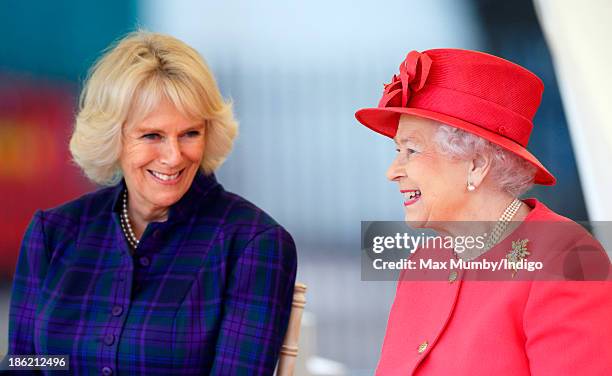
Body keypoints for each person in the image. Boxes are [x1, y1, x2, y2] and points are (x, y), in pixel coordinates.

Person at [4, 31, 297, 375]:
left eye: (190, 133)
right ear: (113, 137)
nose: (173, 157)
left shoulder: (252, 245)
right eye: (152, 135)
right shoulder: (53, 234)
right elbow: (27, 362)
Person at [355, 49, 612, 375]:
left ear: (475, 164)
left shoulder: (567, 258)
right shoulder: (425, 259)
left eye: (411, 150)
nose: (393, 171)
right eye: (397, 151)